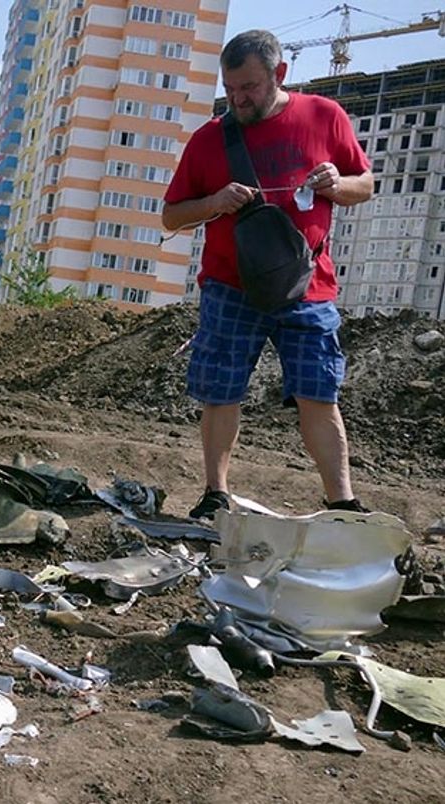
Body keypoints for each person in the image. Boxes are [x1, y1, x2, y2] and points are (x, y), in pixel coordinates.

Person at [161, 29, 373, 521]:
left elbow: (365, 184)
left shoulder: (324, 116)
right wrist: (213, 203)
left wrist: (337, 185)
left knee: (318, 392)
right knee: (221, 391)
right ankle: (216, 492)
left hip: (308, 286)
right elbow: (172, 216)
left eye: (249, 88)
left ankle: (341, 502)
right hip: (230, 286)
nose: (237, 98)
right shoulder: (211, 138)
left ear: (279, 74)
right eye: (230, 88)